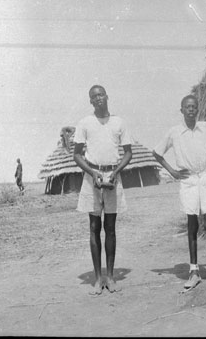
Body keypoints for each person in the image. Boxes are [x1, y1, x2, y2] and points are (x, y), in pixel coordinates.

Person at [153, 95, 206, 289]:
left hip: (205, 178)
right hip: (187, 181)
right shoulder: (175, 132)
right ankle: (194, 271)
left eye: (194, 107)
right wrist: (172, 171)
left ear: (198, 110)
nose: (191, 110)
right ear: (181, 110)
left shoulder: (205, 127)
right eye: (187, 107)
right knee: (192, 225)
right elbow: (157, 153)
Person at [73, 85, 133, 295]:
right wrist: (92, 172)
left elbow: (128, 152)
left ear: (107, 97)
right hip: (92, 178)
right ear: (91, 101)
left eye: (101, 95)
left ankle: (111, 276)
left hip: (112, 176)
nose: (98, 98)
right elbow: (77, 154)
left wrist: (116, 171)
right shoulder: (85, 123)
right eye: (94, 97)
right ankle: (98, 278)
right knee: (93, 227)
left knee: (111, 228)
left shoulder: (119, 122)